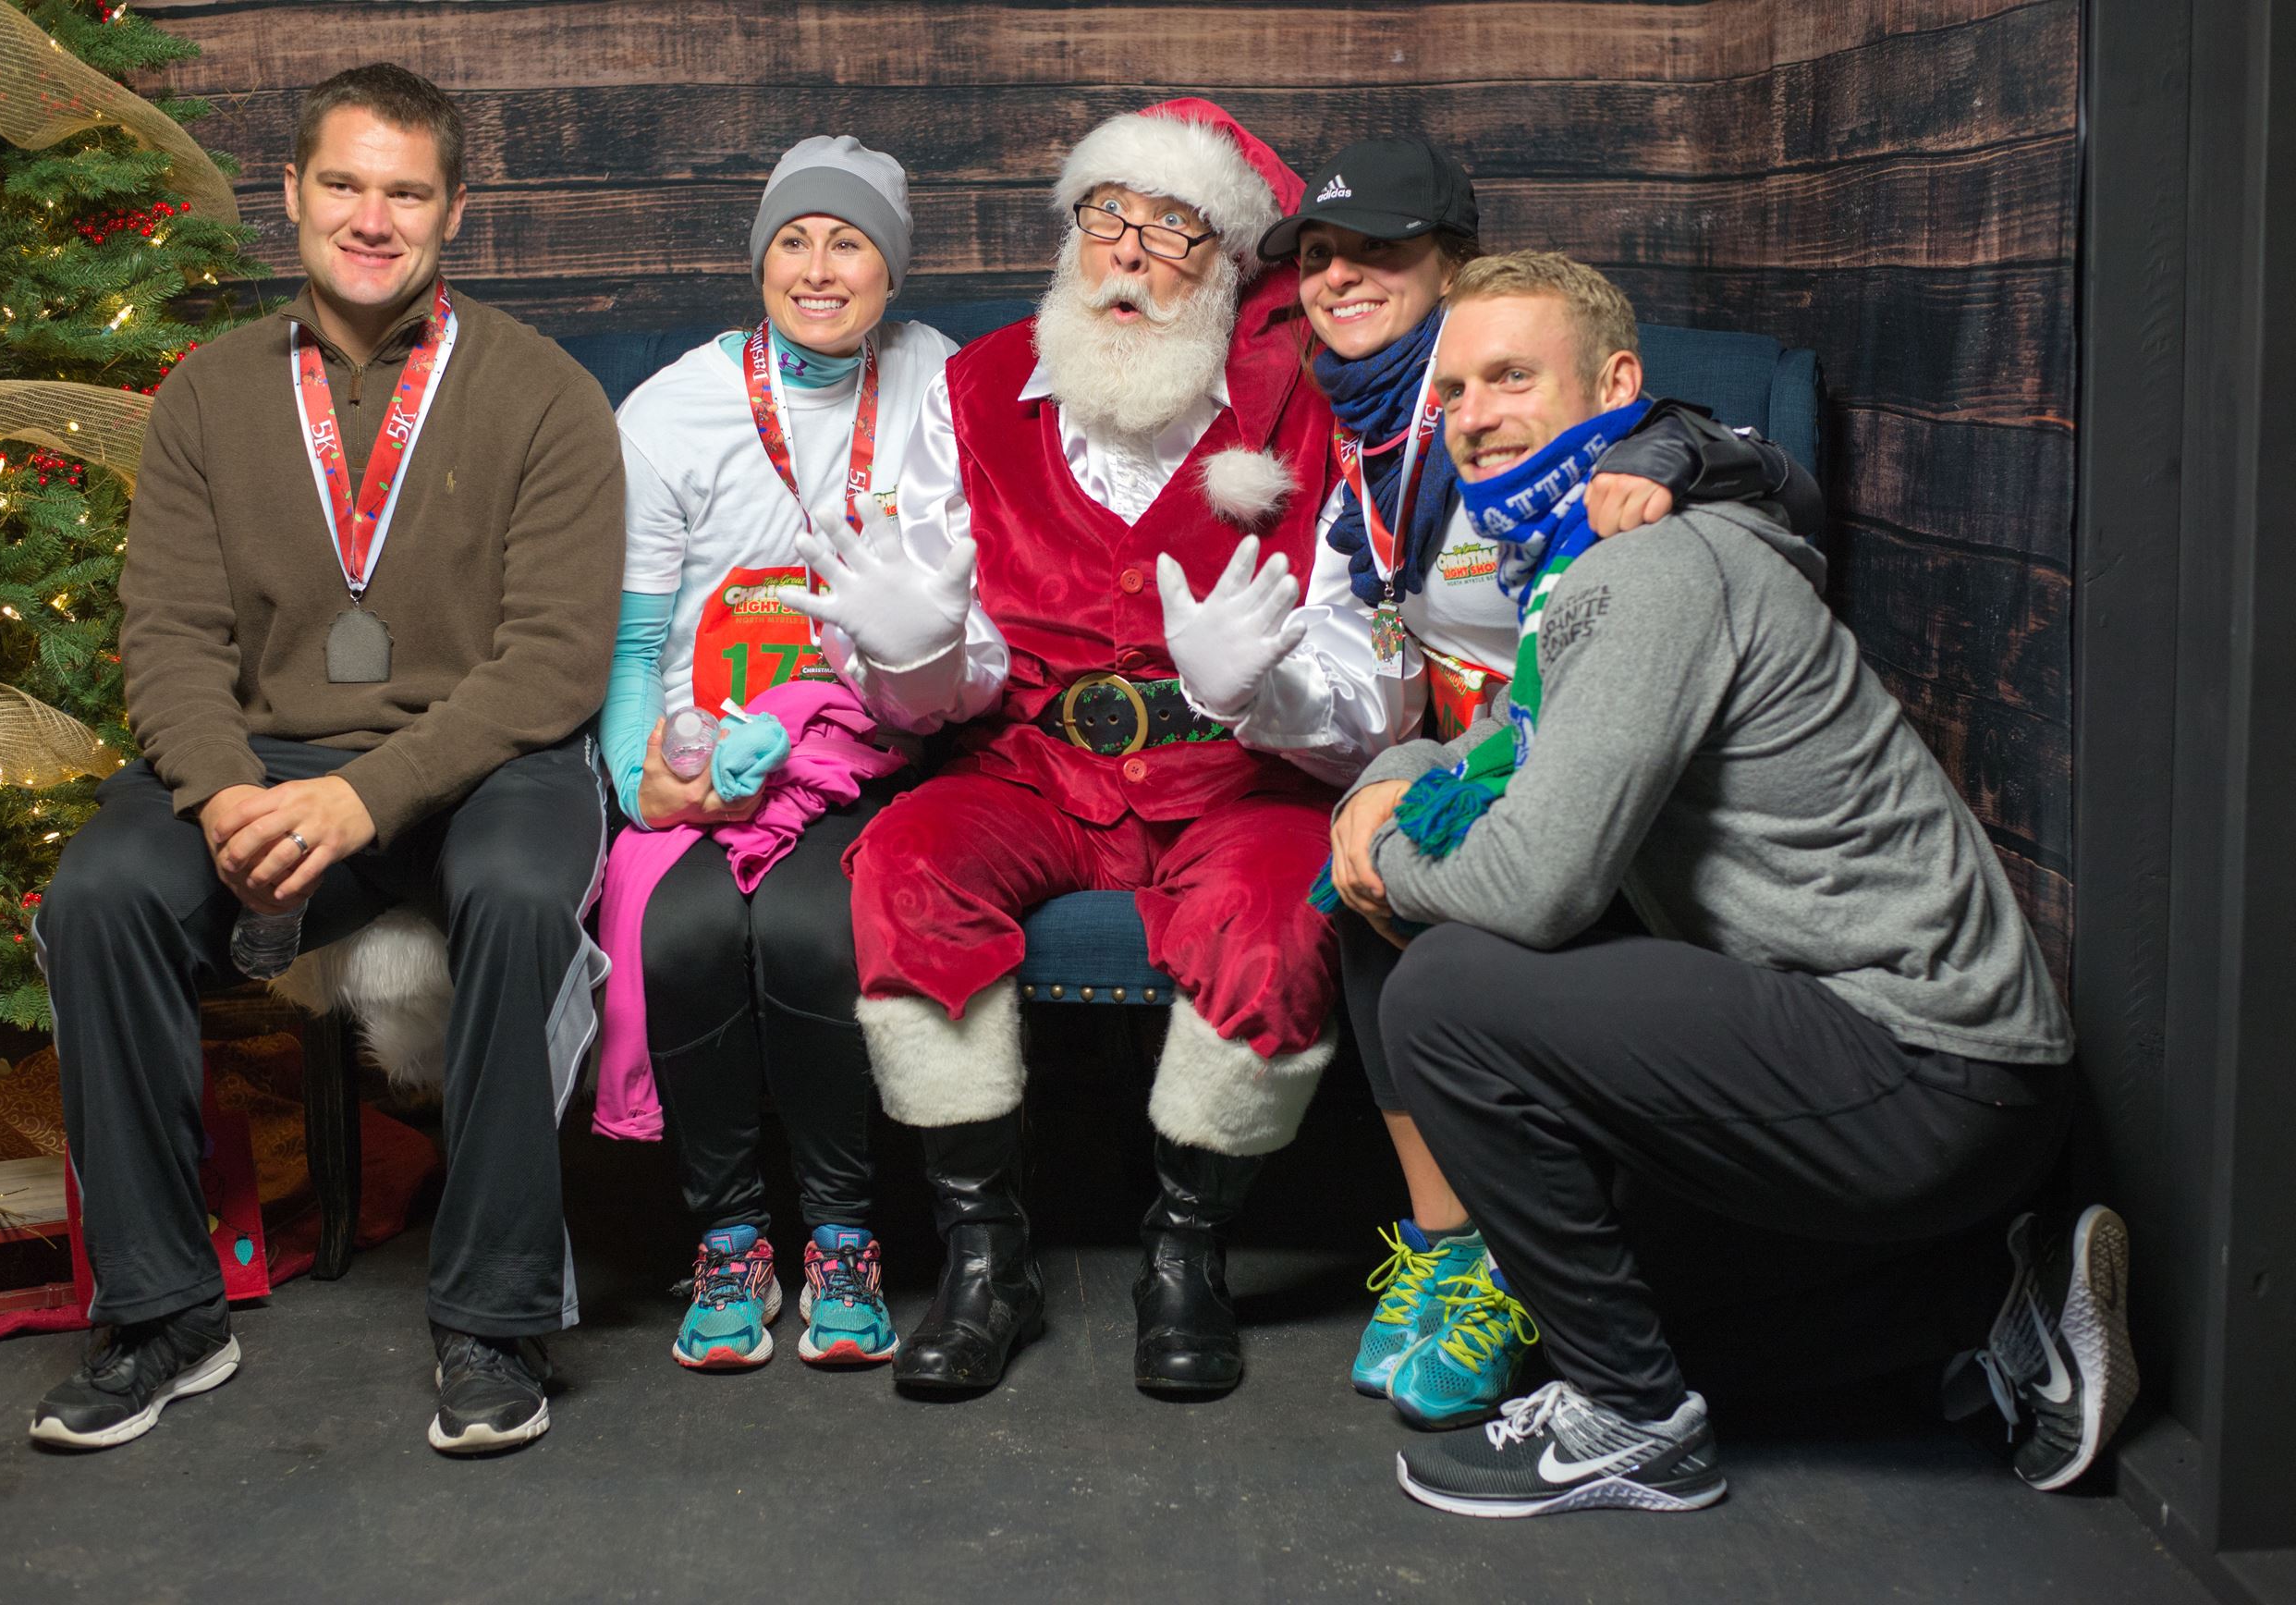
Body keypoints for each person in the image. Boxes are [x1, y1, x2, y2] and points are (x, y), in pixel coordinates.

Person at [1322, 251, 2124, 1516]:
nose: (1473, 415)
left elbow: (1534, 889)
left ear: (1617, 387)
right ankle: (1984, 1297)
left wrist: (1383, 854)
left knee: (1449, 987)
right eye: (1456, 389)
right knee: (1598, 1302)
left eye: (1512, 377)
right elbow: (1506, 751)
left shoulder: (1649, 571)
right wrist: (1384, 784)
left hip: (1929, 1069)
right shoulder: (1584, 565)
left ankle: (1636, 1426)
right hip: (1876, 1060)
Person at [1173, 137, 1826, 1430]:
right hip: (1491, 760)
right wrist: (1247, 694)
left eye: (1381, 250)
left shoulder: (1527, 397)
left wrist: (1687, 454)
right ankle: (1450, 1248)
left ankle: (1537, 1262)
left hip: (1625, 780)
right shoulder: (1367, 444)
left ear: (1457, 268)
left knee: (1440, 915)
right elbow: (1373, 691)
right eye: (1320, 256)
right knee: (1361, 884)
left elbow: (1757, 475)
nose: (1339, 278)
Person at [30, 64, 625, 1456]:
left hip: (488, 761)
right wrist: (225, 792)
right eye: (344, 184)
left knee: (520, 896)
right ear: (290, 194)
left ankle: (493, 1321)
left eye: (406, 192)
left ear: (454, 213)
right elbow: (168, 636)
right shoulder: (206, 396)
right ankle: (165, 1313)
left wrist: (365, 798)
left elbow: (551, 666)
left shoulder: (544, 393)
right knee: (99, 897)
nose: (372, 218)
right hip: (263, 755)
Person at [783, 100, 1340, 1399]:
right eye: (1108, 216)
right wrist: (914, 654)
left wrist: (1262, 688)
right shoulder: (976, 390)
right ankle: (987, 1258)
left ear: (1228, 263)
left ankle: (1189, 1251)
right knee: (907, 863)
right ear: (1073, 233)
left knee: (1279, 922)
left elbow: (1349, 645)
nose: (1130, 253)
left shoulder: (1300, 405)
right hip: (1028, 762)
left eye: (1175, 229)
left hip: (1234, 774)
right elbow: (945, 674)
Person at [592, 137, 956, 1373]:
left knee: (812, 927)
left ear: (891, 272)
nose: (818, 268)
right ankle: (731, 1239)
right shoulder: (671, 413)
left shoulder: (938, 384)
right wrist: (643, 778)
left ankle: (844, 1236)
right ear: (759, 264)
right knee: (683, 931)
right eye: (793, 241)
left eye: (849, 243)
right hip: (700, 757)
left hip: (869, 749)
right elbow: (633, 644)